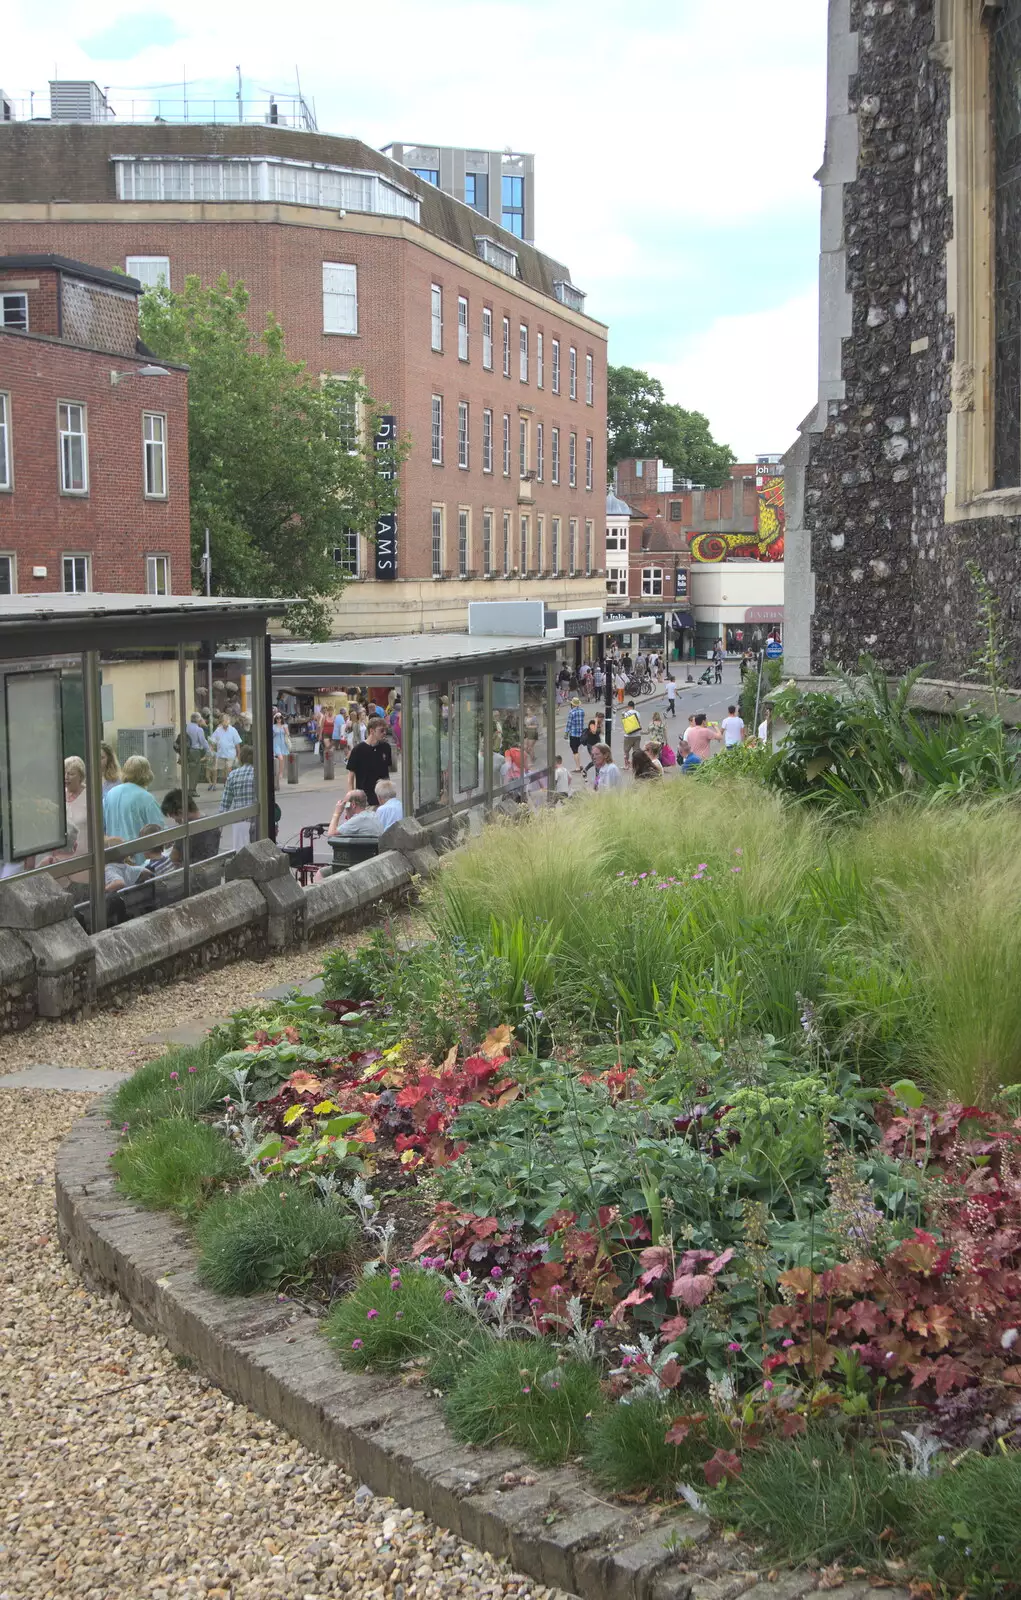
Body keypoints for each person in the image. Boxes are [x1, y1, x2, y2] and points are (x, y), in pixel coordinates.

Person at [103, 755, 166, 859]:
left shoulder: (111, 793)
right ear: (147, 773)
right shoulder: (146, 798)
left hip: (115, 854)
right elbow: (158, 830)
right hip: (139, 859)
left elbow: (102, 824)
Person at [161, 788, 220, 862]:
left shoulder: (185, 830)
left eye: (175, 818)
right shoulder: (212, 824)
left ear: (181, 812)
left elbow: (173, 858)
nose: (176, 821)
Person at [346, 716, 393, 806]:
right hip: (365, 798)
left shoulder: (386, 747)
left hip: (383, 798)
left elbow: (387, 772)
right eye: (381, 730)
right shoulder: (358, 750)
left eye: (385, 730)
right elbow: (351, 776)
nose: (384, 733)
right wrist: (352, 797)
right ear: (372, 731)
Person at [219, 744, 256, 851]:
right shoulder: (258, 773)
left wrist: (219, 827)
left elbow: (225, 804)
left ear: (241, 758)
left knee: (241, 855)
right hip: (256, 822)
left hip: (239, 823)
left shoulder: (233, 775)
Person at [209, 714, 242, 788]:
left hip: (230, 754)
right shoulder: (218, 730)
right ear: (222, 721)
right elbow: (212, 741)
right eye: (224, 721)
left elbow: (237, 743)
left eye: (227, 720)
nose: (226, 722)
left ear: (229, 721)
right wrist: (211, 751)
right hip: (220, 754)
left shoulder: (233, 730)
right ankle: (223, 782)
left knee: (228, 769)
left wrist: (238, 755)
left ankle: (228, 784)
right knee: (221, 771)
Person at [64, 755, 89, 850]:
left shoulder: (90, 795)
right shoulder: (59, 794)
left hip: (85, 854)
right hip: (62, 856)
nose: (66, 777)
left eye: (71, 774)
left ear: (81, 776)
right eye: (64, 773)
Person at [565, 695, 586, 772]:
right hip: (580, 733)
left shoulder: (571, 712)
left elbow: (569, 723)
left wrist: (566, 732)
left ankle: (577, 767)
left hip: (573, 734)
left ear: (573, 704)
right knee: (577, 750)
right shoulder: (582, 711)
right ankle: (579, 765)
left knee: (575, 751)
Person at [621, 700, 643, 770]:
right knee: (636, 752)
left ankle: (626, 765)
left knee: (626, 751)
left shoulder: (626, 713)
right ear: (634, 706)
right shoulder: (638, 713)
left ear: (628, 706)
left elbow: (624, 723)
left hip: (628, 736)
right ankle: (635, 766)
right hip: (637, 735)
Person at [272, 713, 291, 784]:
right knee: (280, 758)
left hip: (283, 743)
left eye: (280, 718)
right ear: (275, 719)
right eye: (277, 718)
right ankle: (280, 773)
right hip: (276, 744)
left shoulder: (285, 726)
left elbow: (288, 734)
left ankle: (281, 772)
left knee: (283, 759)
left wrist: (286, 731)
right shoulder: (273, 726)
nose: (278, 719)